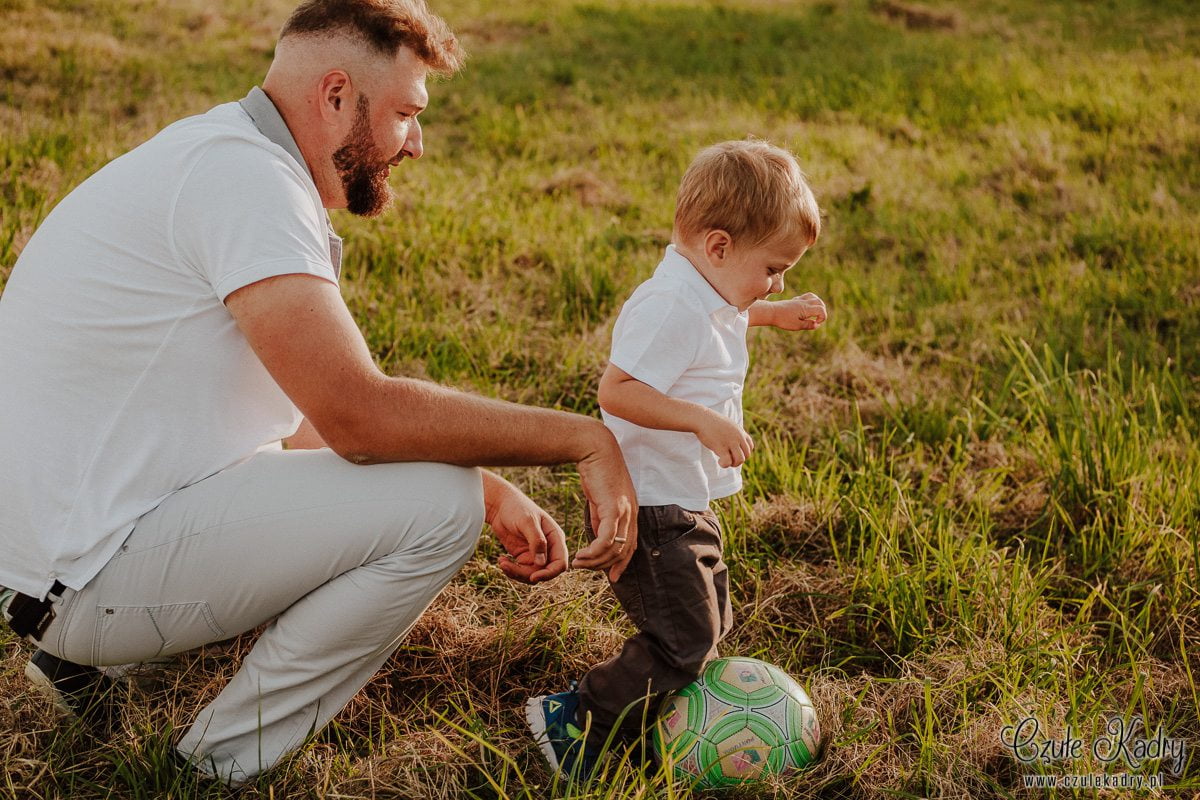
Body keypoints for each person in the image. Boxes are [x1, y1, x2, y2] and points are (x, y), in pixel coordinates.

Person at [0, 0, 637, 786]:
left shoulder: (220, 155)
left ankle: (78, 672)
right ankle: (214, 768)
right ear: (336, 95)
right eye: (406, 113)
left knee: (446, 486)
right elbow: (358, 418)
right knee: (439, 504)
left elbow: (302, 416)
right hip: (81, 580)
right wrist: (581, 437)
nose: (418, 143)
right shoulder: (247, 182)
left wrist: (498, 487)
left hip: (60, 561)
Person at [525, 139, 827, 778]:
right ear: (719, 247)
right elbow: (618, 390)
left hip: (683, 499)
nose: (777, 281)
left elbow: (730, 317)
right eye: (773, 269)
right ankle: (576, 720)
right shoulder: (667, 306)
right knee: (685, 638)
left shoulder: (707, 291)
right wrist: (699, 419)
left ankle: (656, 715)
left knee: (712, 620)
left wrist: (773, 312)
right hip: (654, 507)